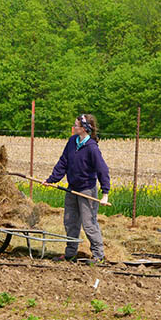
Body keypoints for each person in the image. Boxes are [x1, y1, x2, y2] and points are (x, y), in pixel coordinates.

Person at [44, 113, 110, 263]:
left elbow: (103, 170)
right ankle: (70, 253)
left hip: (87, 190)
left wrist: (105, 193)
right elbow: (63, 162)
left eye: (76, 125)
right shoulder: (72, 141)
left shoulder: (92, 148)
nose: (73, 127)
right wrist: (51, 180)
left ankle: (98, 255)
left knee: (89, 223)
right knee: (70, 221)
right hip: (72, 188)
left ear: (85, 128)